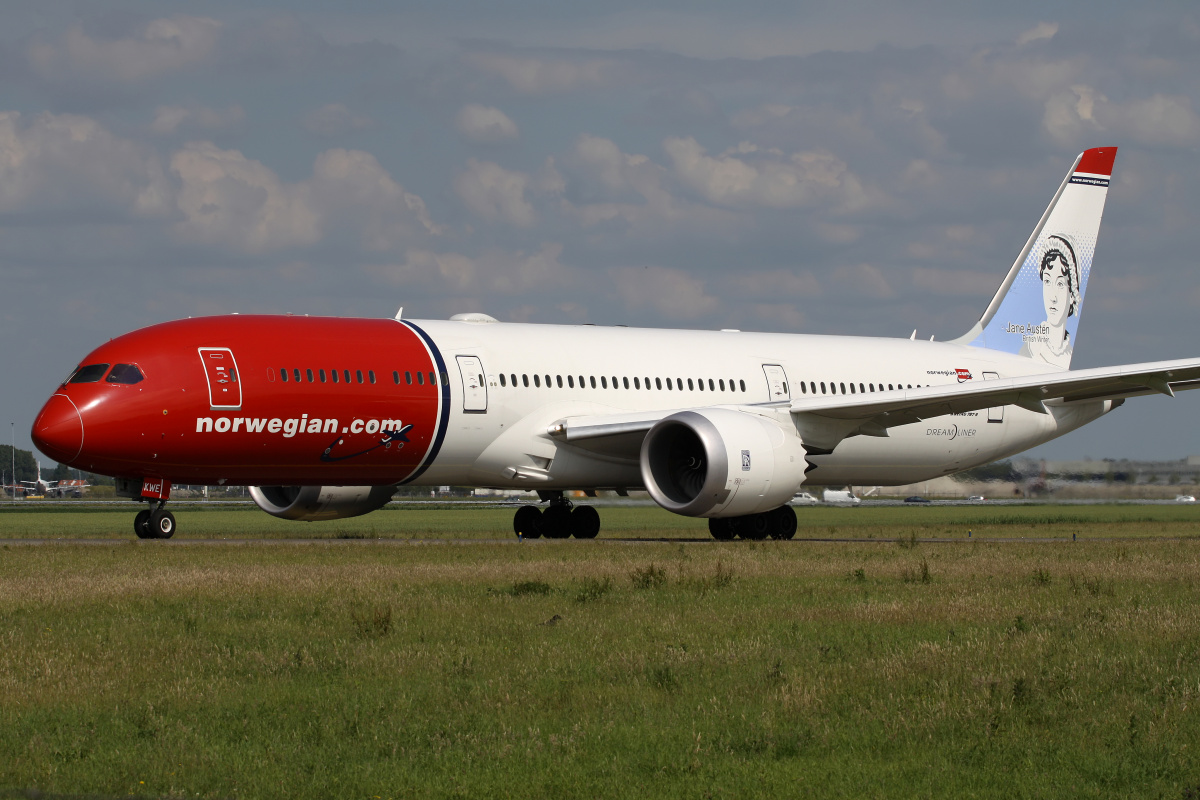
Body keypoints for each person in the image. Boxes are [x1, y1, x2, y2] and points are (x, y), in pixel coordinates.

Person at [1019, 234, 1080, 367]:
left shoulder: (1067, 353)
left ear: (1072, 295)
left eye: (1060, 284)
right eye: (1047, 281)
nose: (1053, 298)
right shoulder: (1031, 348)